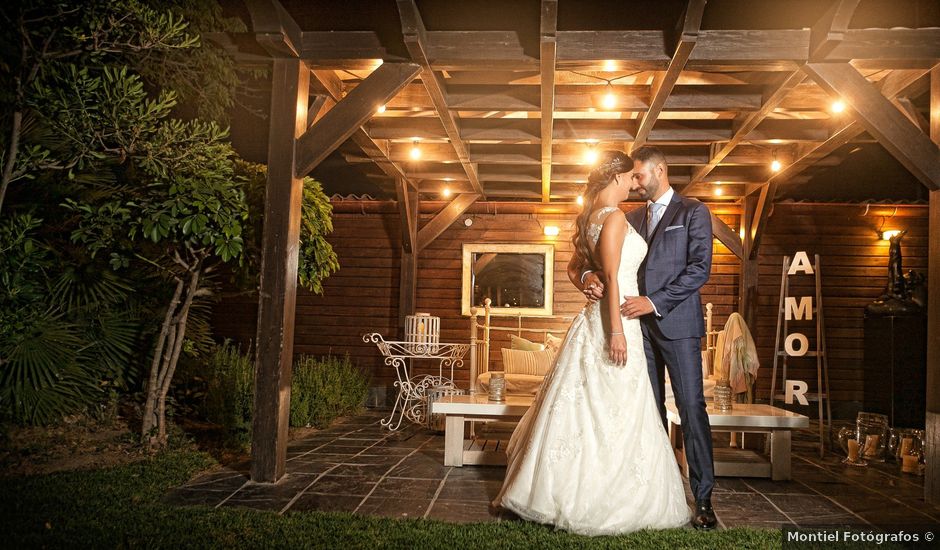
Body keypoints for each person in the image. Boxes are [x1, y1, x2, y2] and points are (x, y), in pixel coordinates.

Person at [492, 151, 691, 535]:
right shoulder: (615, 216)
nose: (636, 184)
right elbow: (612, 277)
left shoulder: (592, 217)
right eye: (631, 177)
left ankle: (569, 488)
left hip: (609, 319)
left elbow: (576, 264)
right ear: (616, 177)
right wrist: (615, 330)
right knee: (613, 406)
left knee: (600, 407)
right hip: (616, 322)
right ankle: (604, 496)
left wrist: (583, 276)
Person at [579, 145, 717, 530]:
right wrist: (589, 277)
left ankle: (703, 498)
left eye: (640, 175)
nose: (635, 182)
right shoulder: (629, 217)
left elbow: (698, 270)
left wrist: (653, 302)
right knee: (648, 413)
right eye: (632, 177)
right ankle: (658, 491)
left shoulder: (693, 212)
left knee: (691, 409)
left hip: (677, 326)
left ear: (660, 170)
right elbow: (605, 264)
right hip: (637, 332)